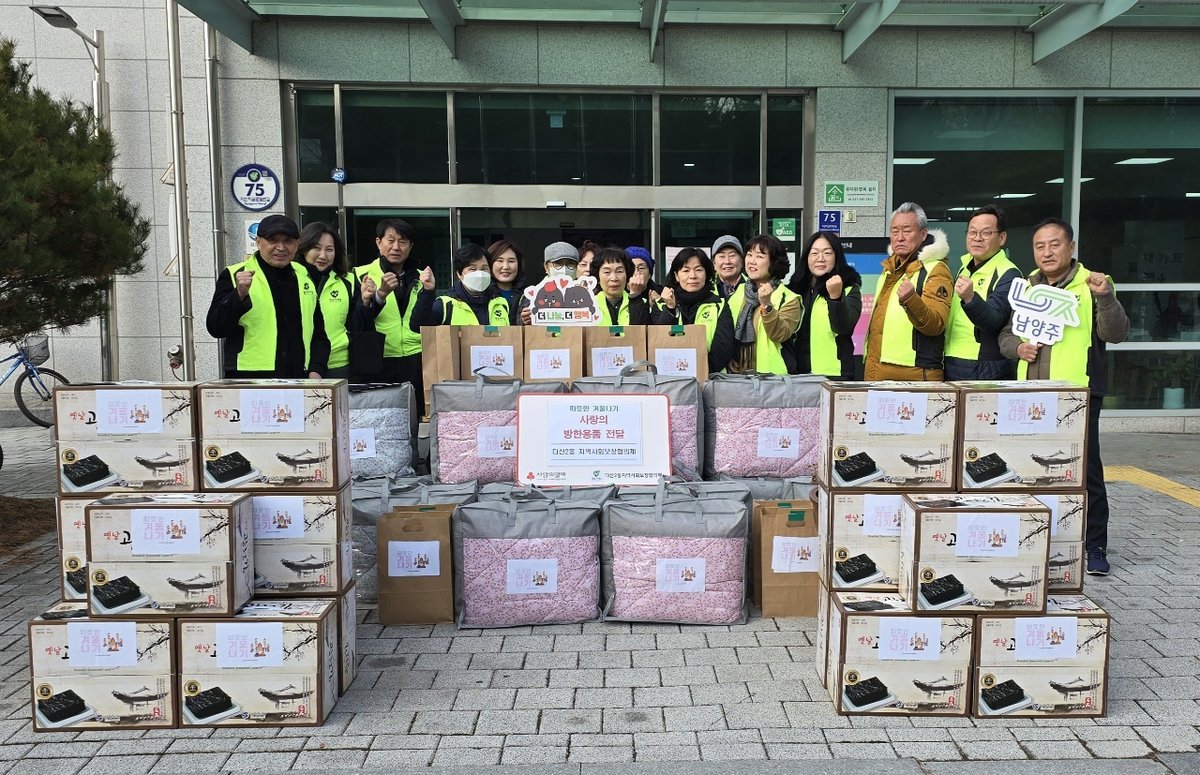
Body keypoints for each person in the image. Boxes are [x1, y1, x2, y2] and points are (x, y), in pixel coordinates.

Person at [999, 217, 1129, 576]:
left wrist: (1105, 297)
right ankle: (1034, 540)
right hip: (1031, 395)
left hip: (1078, 395)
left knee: (1086, 472)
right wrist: (1018, 348)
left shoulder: (1093, 284)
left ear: (1071, 247)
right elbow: (1006, 336)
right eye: (1039, 246)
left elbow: (1116, 333)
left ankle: (1095, 545)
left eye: (1055, 244)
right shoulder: (1027, 287)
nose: (1047, 252)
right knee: (1030, 468)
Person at [206, 214, 330, 379]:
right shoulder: (235, 274)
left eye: (288, 241)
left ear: (297, 244)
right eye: (273, 240)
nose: (281, 247)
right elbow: (215, 327)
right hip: (249, 379)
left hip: (298, 377)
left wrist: (316, 370)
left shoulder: (305, 275)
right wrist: (239, 295)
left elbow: (319, 334)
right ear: (258, 242)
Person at [863, 202, 953, 381]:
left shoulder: (935, 269)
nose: (900, 238)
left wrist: (911, 299)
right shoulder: (889, 269)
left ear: (923, 234)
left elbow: (935, 324)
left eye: (906, 231)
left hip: (915, 374)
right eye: (894, 231)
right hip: (877, 369)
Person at [944, 205, 1022, 381]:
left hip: (985, 364)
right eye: (972, 232)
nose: (977, 238)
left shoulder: (1010, 273)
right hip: (953, 357)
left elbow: (995, 320)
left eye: (986, 233)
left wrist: (970, 298)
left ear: (1002, 238)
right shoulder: (965, 267)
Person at [355, 218, 425, 408]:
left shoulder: (421, 278)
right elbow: (357, 322)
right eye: (390, 240)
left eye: (402, 242)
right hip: (378, 358)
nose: (396, 247)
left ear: (410, 246)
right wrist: (379, 296)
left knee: (415, 413)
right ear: (379, 243)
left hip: (415, 357)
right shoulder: (360, 275)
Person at [296, 222, 376, 380]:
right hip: (299, 365)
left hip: (339, 366)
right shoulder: (292, 278)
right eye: (316, 248)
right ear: (304, 248)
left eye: (329, 250)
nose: (323, 256)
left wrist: (365, 301)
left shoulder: (349, 281)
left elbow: (358, 325)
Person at [785, 231, 863, 379]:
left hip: (834, 374)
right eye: (814, 253)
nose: (820, 258)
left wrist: (836, 298)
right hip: (798, 374)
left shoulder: (848, 288)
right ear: (806, 257)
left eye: (827, 253)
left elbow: (844, 328)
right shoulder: (796, 289)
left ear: (837, 256)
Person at [651, 247, 736, 373]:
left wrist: (698, 371)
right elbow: (658, 342)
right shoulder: (661, 304)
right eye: (686, 270)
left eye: (699, 270)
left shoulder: (719, 305)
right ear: (676, 276)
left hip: (711, 378)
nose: (693, 276)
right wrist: (670, 309)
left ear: (706, 274)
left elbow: (723, 349)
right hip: (671, 378)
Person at [726, 234, 802, 374]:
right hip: (739, 376)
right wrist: (728, 356)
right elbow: (727, 330)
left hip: (773, 378)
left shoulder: (788, 298)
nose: (752, 261)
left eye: (759, 256)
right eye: (749, 255)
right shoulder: (739, 291)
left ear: (774, 262)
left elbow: (780, 334)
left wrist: (766, 304)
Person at [411, 243, 510, 327]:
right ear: (459, 274)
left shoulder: (500, 303)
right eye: (472, 269)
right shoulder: (446, 305)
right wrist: (427, 291)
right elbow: (418, 325)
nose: (479, 274)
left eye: (484, 269)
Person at [519, 241, 582, 324]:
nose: (564, 269)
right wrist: (525, 321)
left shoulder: (585, 294)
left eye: (570, 264)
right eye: (558, 264)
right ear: (546, 267)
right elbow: (518, 326)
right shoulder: (532, 296)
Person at [593, 247, 651, 325]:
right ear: (597, 276)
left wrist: (635, 296)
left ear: (627, 275)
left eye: (619, 271)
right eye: (607, 272)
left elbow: (641, 330)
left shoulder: (642, 303)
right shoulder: (589, 304)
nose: (614, 278)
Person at [487, 239, 527, 324]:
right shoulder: (481, 295)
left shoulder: (529, 296)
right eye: (499, 261)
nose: (505, 267)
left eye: (511, 261)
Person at [711, 235, 745, 300]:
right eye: (722, 256)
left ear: (741, 261)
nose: (727, 261)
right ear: (714, 263)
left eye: (732, 255)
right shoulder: (705, 287)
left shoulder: (754, 287)